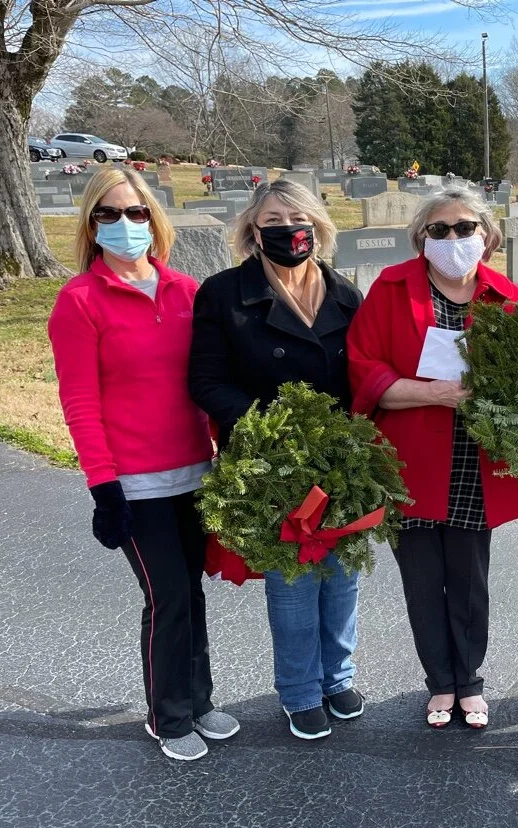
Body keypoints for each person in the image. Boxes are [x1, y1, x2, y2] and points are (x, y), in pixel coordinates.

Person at [48, 166, 238, 762]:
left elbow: (206, 383)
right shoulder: (80, 301)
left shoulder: (186, 292)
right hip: (135, 483)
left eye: (135, 212)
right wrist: (104, 489)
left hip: (195, 473)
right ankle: (168, 714)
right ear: (91, 224)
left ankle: (200, 699)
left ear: (153, 218)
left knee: (193, 593)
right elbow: (80, 402)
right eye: (109, 214)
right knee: (168, 597)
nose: (124, 224)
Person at [188, 179, 365, 742]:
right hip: (269, 462)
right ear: (253, 231)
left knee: (341, 577)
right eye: (273, 219)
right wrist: (273, 431)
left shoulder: (344, 292)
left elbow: (362, 372)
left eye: (298, 216)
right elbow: (207, 381)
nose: (288, 228)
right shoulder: (223, 294)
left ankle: (337, 678)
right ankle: (299, 690)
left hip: (340, 461)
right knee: (294, 580)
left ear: (317, 226)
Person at [347, 185, 518, 730]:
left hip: (476, 455)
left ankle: (469, 679)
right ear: (421, 239)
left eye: (464, 227)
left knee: (469, 576)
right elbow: (364, 367)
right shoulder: (391, 287)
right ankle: (439, 682)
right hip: (410, 453)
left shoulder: (507, 297)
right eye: (439, 230)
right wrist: (434, 393)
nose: (452, 238)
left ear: (487, 236)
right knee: (422, 576)